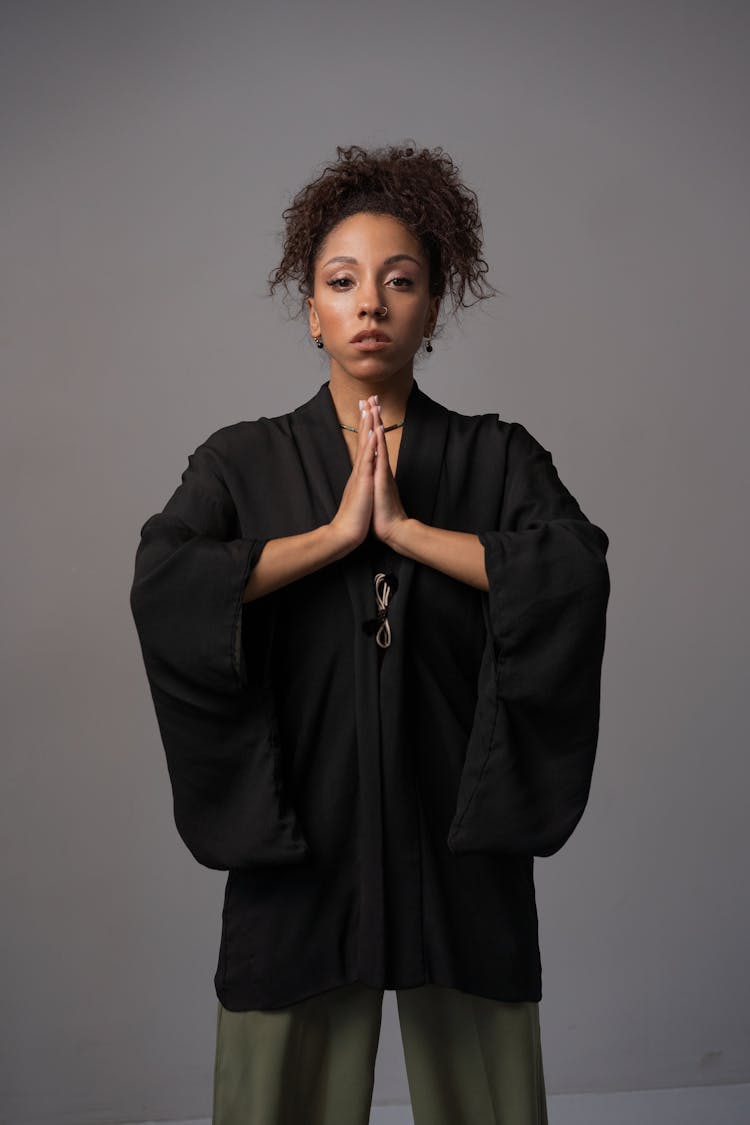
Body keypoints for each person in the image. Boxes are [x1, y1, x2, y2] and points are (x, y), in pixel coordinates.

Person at [129, 143, 610, 1125]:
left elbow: (572, 571)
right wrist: (333, 538)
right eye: (341, 282)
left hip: (458, 836)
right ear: (312, 310)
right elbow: (168, 583)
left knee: (492, 1098)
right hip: (299, 836)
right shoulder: (240, 462)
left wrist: (408, 534)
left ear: (435, 306)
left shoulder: (496, 456)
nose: (371, 304)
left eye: (401, 281)